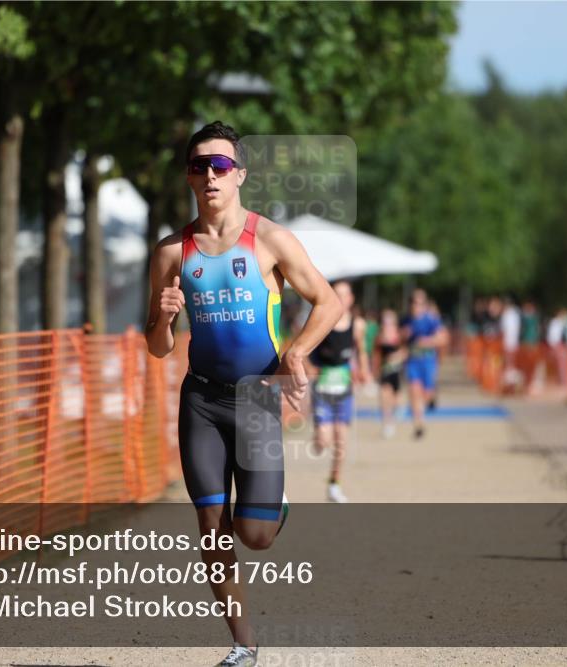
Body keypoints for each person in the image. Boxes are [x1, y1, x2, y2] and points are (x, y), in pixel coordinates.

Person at [144, 121, 342, 667]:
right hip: (201, 403)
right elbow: (158, 348)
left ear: (239, 175)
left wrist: (297, 353)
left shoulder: (271, 240)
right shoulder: (169, 252)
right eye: (200, 166)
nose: (210, 174)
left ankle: (271, 508)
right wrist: (163, 322)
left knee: (254, 536)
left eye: (221, 166)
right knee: (211, 526)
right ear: (188, 176)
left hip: (255, 402)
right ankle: (243, 642)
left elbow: (328, 303)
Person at [308, 281, 369, 503]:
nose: (341, 298)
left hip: (344, 388)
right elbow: (305, 348)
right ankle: (317, 437)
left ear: (351, 299)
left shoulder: (358, 324)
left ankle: (334, 484)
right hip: (323, 387)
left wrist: (364, 370)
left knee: (341, 441)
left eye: (345, 295)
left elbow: (361, 351)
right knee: (324, 441)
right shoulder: (322, 321)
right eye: (337, 294)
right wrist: (308, 370)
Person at [401, 289, 449, 439]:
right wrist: (403, 336)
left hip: (428, 361)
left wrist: (427, 342)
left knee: (426, 394)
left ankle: (431, 396)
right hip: (413, 361)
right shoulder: (405, 320)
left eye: (420, 303)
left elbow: (443, 338)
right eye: (414, 302)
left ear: (425, 304)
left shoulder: (431, 320)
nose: (417, 306)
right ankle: (419, 425)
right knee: (414, 392)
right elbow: (399, 339)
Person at [374, 308, 406, 438]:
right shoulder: (380, 337)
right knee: (384, 395)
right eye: (385, 320)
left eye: (390, 320)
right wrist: (375, 370)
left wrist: (398, 356)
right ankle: (387, 423)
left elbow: (405, 351)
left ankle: (395, 415)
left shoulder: (400, 335)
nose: (387, 323)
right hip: (385, 371)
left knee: (395, 398)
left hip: (397, 371)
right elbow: (376, 355)